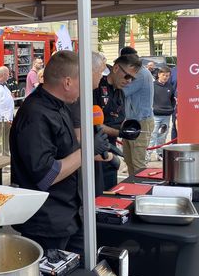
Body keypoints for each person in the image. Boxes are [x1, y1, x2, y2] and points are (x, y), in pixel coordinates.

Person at [10, 50, 111, 253]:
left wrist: (98, 151)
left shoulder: (61, 106)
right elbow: (46, 175)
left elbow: (68, 152)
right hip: (47, 222)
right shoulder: (35, 114)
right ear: (67, 82)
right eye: (82, 81)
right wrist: (87, 150)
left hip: (70, 214)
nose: (86, 88)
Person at [65, 51, 116, 196]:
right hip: (79, 174)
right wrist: (109, 156)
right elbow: (78, 142)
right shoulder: (78, 99)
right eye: (100, 72)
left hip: (89, 166)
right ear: (90, 71)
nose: (102, 76)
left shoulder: (86, 95)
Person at [93, 53, 142, 189]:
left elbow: (118, 119)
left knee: (111, 191)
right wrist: (120, 133)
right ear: (116, 68)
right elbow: (94, 125)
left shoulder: (120, 92)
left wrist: (128, 128)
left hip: (111, 151)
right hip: (96, 152)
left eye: (132, 78)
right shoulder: (96, 87)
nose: (129, 81)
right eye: (127, 76)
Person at [121, 52, 154, 176]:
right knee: (129, 160)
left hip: (140, 122)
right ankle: (132, 185)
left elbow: (122, 92)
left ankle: (140, 186)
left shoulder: (141, 74)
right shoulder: (139, 73)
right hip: (132, 121)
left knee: (138, 163)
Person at [150, 65, 176, 161]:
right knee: (152, 135)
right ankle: (147, 154)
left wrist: (171, 108)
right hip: (155, 115)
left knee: (162, 136)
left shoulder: (170, 87)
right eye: (163, 75)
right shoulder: (152, 86)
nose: (165, 77)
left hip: (166, 115)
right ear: (159, 75)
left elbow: (172, 99)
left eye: (167, 76)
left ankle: (159, 153)